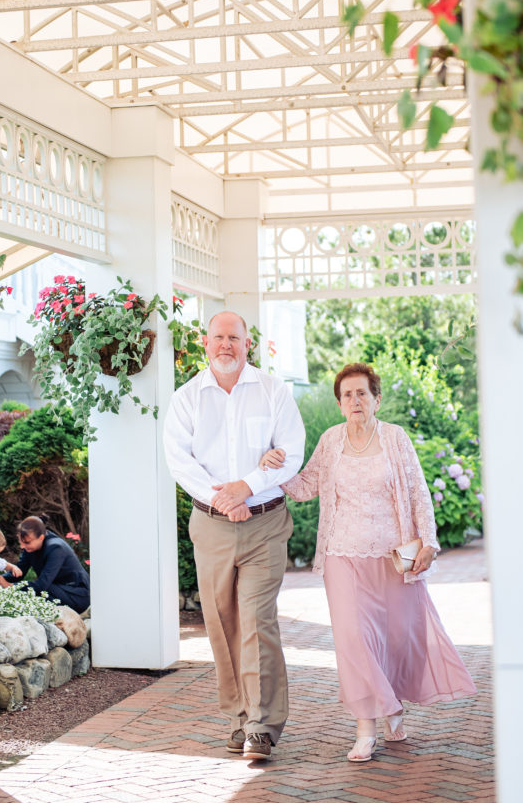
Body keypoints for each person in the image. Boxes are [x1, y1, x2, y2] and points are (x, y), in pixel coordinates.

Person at [259, 362, 476, 762]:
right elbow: (307, 485)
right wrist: (275, 471)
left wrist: (429, 541)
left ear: (376, 399)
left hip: (393, 557)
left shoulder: (395, 438)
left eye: (362, 393)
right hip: (342, 554)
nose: (354, 401)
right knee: (354, 638)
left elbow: (418, 491)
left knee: (395, 637)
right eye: (347, 395)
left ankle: (392, 704)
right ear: (340, 404)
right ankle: (366, 726)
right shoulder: (330, 440)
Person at [164, 311, 305, 760]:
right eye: (218, 337)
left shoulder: (272, 390)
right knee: (222, 624)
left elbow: (291, 452)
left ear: (248, 343)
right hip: (212, 526)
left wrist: (248, 485)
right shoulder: (187, 399)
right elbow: (179, 462)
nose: (226, 345)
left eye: (234, 338)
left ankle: (262, 725)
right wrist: (226, 497)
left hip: (264, 522)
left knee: (257, 621)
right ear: (205, 343)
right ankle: (239, 719)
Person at [6, 515, 90, 614]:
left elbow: (42, 585)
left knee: (41, 590)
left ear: (41, 537)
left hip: (78, 595)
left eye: (26, 543)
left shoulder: (56, 548)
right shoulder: (29, 547)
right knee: (34, 591)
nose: (22, 546)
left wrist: (10, 586)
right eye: (21, 542)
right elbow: (19, 573)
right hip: (57, 590)